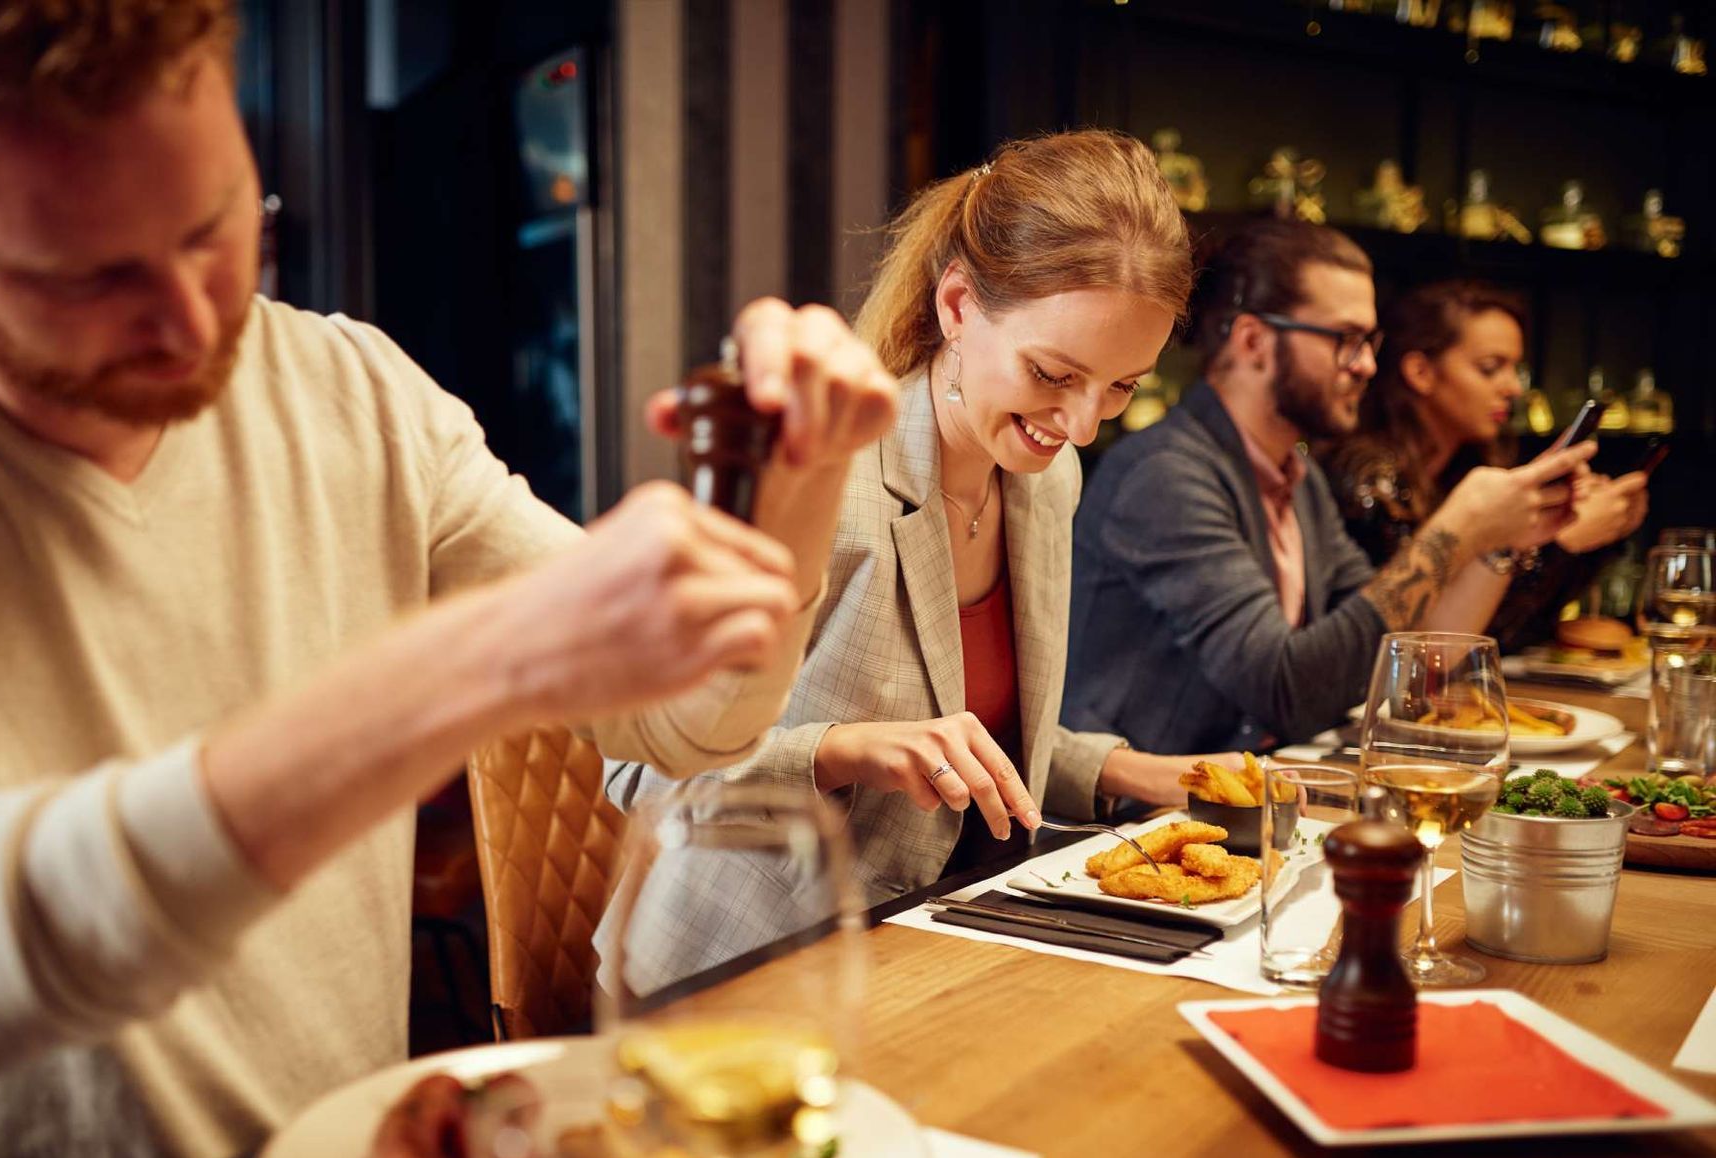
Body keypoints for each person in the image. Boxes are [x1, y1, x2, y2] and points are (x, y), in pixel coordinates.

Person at [0, 3, 899, 1158]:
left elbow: (687, 723)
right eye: (86, 276)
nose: (190, 323)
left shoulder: (355, 390)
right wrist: (477, 661)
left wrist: (802, 481)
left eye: (215, 227)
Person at [602, 131, 1241, 993]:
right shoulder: (820, 476)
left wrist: (1139, 772)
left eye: (1122, 386)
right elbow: (642, 770)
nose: (1084, 425)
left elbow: (972, 737)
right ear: (957, 306)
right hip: (739, 970)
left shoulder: (1045, 480)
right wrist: (843, 751)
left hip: (930, 945)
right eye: (1053, 373)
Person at [1060, 219, 1598, 756]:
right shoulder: (1165, 475)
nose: (1367, 365)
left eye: (1369, 341)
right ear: (1254, 341)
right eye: (1346, 340)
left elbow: (1400, 658)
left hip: (1265, 784)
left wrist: (1496, 543)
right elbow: (1284, 692)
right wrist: (1454, 532)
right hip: (1149, 802)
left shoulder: (1298, 477)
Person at [1315, 279, 1648, 650]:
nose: (1513, 388)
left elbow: (1522, 630)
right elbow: (1425, 644)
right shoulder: (1367, 480)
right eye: (1490, 368)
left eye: (1514, 367)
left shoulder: (1471, 465)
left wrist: (1578, 533)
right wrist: (1562, 544)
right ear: (1420, 372)